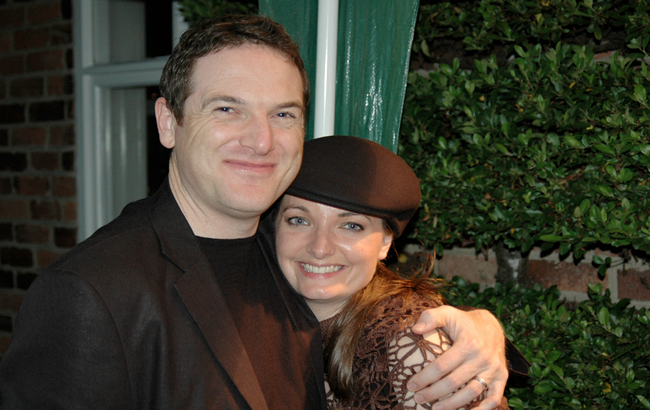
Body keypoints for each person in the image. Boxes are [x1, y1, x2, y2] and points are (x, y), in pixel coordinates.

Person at [0, 15, 514, 410]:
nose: (262, 140)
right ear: (168, 122)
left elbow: (378, 308)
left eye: (283, 114)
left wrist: (479, 329)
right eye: (228, 108)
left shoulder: (291, 251)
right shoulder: (91, 293)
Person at [274, 135, 510, 409]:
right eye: (299, 220)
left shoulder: (409, 344)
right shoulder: (259, 306)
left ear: (385, 242)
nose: (320, 248)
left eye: (351, 226)